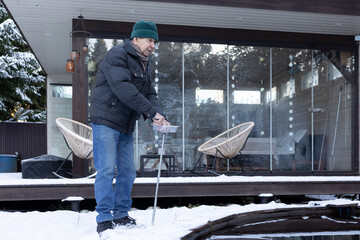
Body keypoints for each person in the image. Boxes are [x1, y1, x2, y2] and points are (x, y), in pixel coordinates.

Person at [89, 20, 170, 234]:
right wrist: (151, 112)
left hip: (126, 124)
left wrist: (160, 115)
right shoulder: (117, 55)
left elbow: (150, 93)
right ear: (135, 39)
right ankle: (104, 217)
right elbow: (123, 88)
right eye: (148, 40)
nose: (152, 45)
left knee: (127, 172)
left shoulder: (146, 63)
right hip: (106, 121)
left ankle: (121, 214)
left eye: (154, 41)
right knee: (106, 169)